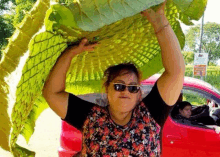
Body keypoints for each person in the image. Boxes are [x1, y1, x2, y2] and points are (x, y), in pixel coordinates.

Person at [42, 1, 185, 156]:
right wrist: (70, 53)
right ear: (106, 88)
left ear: (138, 94)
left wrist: (161, 24)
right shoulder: (92, 117)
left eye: (132, 88)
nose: (126, 91)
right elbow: (52, 93)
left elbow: (176, 72)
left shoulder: (150, 115)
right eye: (118, 86)